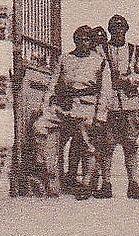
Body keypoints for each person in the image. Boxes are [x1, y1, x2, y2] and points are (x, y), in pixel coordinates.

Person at [32, 24, 106, 197]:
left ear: (91, 42)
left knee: (88, 143)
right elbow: (53, 84)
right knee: (39, 126)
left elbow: (104, 91)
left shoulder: (99, 61)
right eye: (79, 39)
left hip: (87, 106)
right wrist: (46, 106)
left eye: (87, 40)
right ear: (74, 40)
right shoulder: (65, 59)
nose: (83, 43)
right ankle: (45, 168)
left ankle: (87, 183)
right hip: (65, 106)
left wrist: (100, 115)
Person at [91, 14, 139, 199]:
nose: (118, 32)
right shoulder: (101, 50)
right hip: (109, 105)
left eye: (121, 29)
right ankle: (106, 183)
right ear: (110, 31)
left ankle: (133, 184)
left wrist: (127, 80)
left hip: (130, 103)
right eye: (114, 29)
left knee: (131, 145)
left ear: (126, 30)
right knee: (106, 145)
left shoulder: (135, 50)